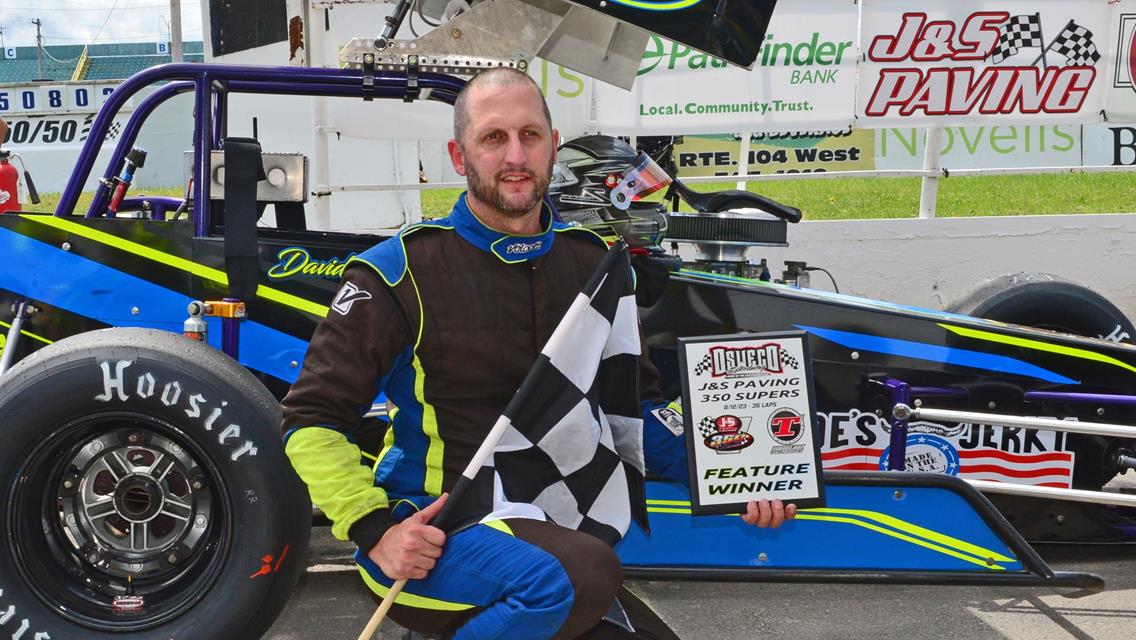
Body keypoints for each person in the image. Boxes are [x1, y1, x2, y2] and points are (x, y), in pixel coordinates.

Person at [282, 67, 795, 639]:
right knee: (571, 577)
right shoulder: (397, 271)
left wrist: (738, 476)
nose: (515, 156)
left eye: (529, 135)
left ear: (554, 146)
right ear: (460, 156)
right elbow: (309, 421)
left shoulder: (597, 265)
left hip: (560, 527)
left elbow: (634, 414)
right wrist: (377, 529)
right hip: (439, 534)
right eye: (493, 138)